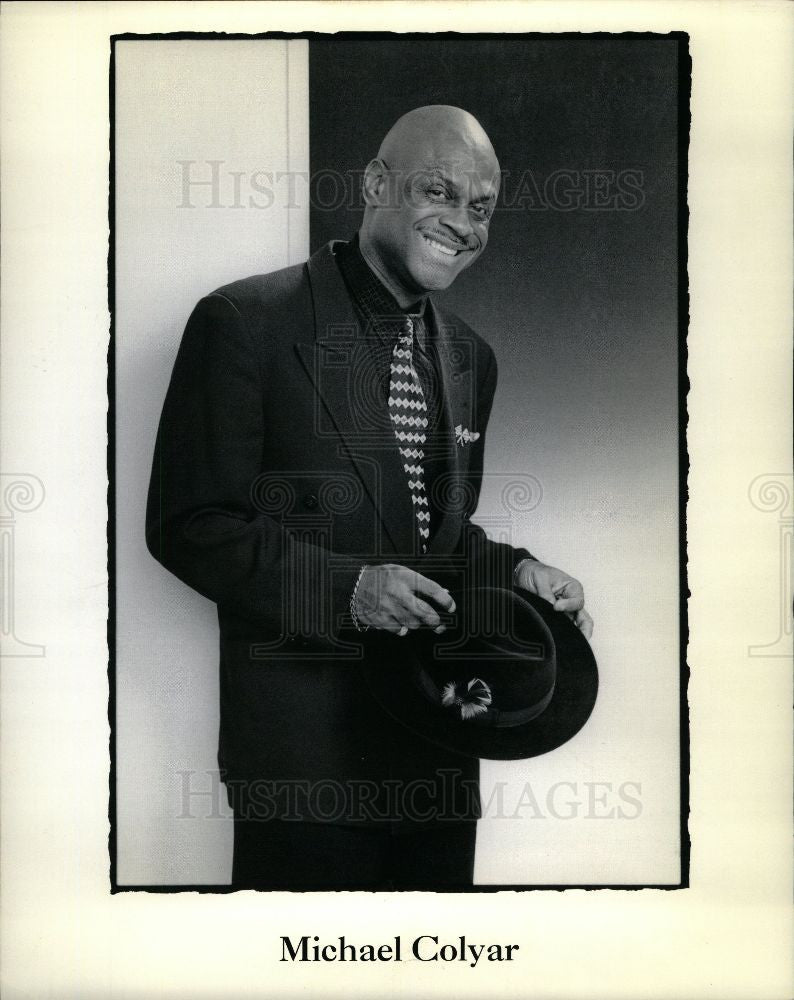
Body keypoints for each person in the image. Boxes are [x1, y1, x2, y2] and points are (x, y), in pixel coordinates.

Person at [146, 105, 593, 890]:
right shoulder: (245, 322)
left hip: (444, 754)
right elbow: (190, 523)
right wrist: (349, 591)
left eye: (481, 207)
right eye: (439, 190)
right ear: (375, 183)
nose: (462, 223)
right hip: (307, 767)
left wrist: (515, 571)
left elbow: (429, 530)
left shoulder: (470, 358)